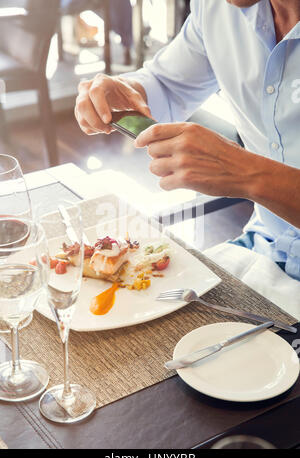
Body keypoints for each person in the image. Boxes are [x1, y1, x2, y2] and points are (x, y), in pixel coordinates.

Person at [74, 0, 300, 314]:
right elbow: (168, 84)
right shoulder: (217, 9)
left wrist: (249, 174)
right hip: (264, 248)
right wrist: (128, 91)